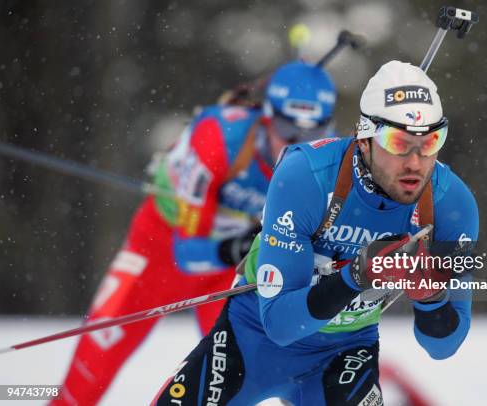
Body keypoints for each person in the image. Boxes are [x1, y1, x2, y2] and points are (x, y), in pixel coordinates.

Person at [152, 60, 479, 406]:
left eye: (429, 142)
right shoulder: (306, 176)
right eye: (398, 143)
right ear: (365, 139)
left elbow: (444, 345)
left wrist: (431, 299)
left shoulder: (451, 205)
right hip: (252, 337)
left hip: (345, 351)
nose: (415, 162)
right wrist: (357, 274)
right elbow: (279, 325)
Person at [51, 61, 337, 406]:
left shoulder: (326, 163)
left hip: (230, 273)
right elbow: (185, 255)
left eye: (312, 133)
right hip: (160, 250)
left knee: (256, 370)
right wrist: (240, 244)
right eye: (286, 128)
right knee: (92, 367)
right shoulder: (220, 140)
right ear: (266, 117)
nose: (295, 143)